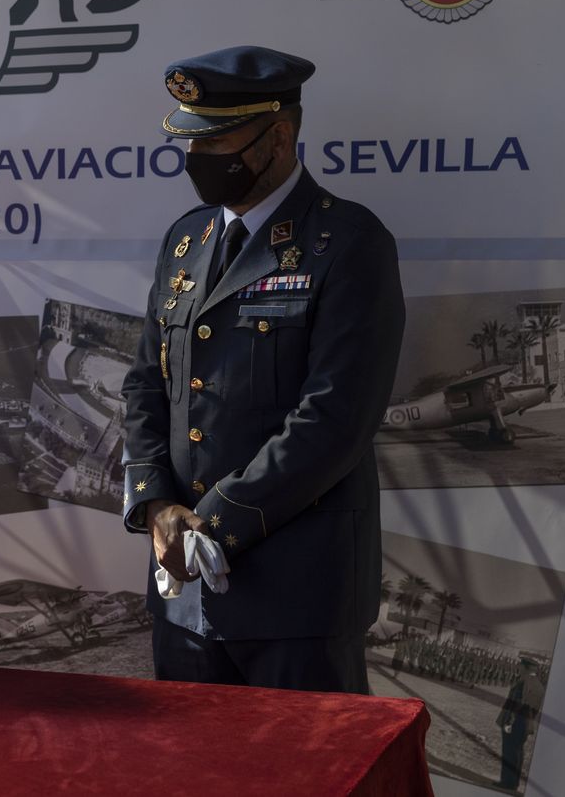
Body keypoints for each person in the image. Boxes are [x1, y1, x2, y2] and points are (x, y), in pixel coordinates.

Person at [119, 46, 405, 693]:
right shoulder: (186, 242)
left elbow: (335, 419)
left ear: (279, 136)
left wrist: (213, 522)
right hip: (184, 596)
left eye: (217, 142)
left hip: (296, 599)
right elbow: (146, 383)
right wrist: (159, 507)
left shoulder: (348, 243)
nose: (198, 160)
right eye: (191, 141)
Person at [497, 657, 544, 789]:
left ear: (526, 667)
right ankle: (513, 783)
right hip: (527, 723)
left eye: (520, 665)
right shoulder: (539, 685)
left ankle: (507, 783)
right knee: (518, 752)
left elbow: (517, 704)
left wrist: (509, 722)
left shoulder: (523, 683)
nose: (519, 667)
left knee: (509, 752)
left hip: (515, 722)